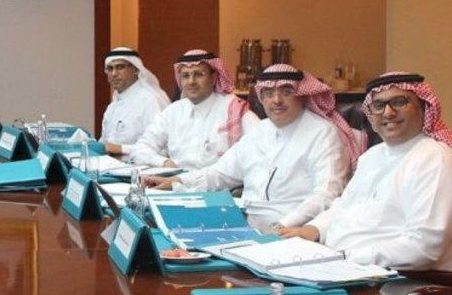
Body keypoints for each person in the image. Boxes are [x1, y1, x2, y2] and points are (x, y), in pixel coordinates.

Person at [277, 72, 452, 270]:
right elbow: (344, 207)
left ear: (423, 107)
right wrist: (313, 229)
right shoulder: (373, 155)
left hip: (399, 280)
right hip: (343, 265)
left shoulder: (435, 158)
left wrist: (346, 257)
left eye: (399, 102)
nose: (388, 113)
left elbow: (424, 246)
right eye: (378, 105)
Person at [143, 64, 359, 230]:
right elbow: (220, 174)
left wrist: (281, 226)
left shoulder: (322, 133)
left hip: (293, 232)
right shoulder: (260, 131)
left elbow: (326, 195)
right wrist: (177, 182)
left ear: (301, 96)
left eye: (286, 92)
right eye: (268, 93)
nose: (276, 100)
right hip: (246, 225)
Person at [131, 49, 260, 169]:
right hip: (174, 182)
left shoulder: (235, 110)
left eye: (198, 74)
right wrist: (164, 163)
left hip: (218, 184)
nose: (191, 82)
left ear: (214, 78)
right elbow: (140, 149)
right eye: (185, 76)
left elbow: (261, 150)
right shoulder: (173, 111)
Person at [99, 47, 170, 156]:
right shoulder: (112, 107)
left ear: (136, 69)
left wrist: (121, 149)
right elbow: (104, 144)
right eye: (110, 68)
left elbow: (164, 150)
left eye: (120, 67)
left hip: (143, 165)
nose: (114, 74)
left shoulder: (150, 100)